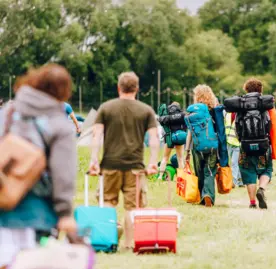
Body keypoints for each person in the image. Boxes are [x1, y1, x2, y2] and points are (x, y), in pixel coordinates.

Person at [0, 64, 77, 267]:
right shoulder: (59, 124)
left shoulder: (8, 112)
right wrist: (65, 212)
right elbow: (63, 172)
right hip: (36, 212)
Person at [88, 72, 159, 249]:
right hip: (135, 167)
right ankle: (128, 245)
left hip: (110, 165)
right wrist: (152, 162)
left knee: (107, 202)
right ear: (137, 88)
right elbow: (154, 138)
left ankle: (107, 242)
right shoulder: (146, 110)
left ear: (118, 88)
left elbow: (96, 135)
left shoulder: (106, 108)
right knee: (132, 207)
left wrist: (94, 160)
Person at [236, 78, 274, 209]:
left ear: (246, 89)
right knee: (267, 169)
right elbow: (269, 124)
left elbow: (237, 126)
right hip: (263, 144)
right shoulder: (264, 105)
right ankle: (262, 189)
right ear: (260, 90)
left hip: (245, 145)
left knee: (248, 171)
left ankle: (252, 203)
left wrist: (241, 138)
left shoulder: (241, 105)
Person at [185, 85, 219, 207]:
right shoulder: (215, 110)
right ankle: (208, 194)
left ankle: (201, 197)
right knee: (209, 171)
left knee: (199, 171)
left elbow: (189, 132)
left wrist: (187, 150)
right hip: (212, 145)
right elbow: (220, 129)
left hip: (197, 146)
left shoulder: (193, 111)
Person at [157, 101, 186, 180]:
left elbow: (163, 125)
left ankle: (160, 176)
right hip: (179, 137)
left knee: (165, 158)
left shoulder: (167, 115)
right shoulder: (182, 114)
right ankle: (181, 178)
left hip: (169, 138)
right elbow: (185, 126)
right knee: (180, 159)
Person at [225, 112, 243, 187]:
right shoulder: (227, 114)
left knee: (234, 162)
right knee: (235, 163)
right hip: (228, 141)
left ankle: (234, 182)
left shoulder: (240, 114)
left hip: (237, 143)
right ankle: (240, 181)